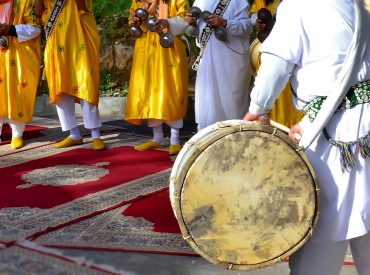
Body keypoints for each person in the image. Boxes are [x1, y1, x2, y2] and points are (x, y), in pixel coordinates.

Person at [244, 0, 370, 274]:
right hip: (362, 124)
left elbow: (275, 65)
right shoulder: (355, 5)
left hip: (335, 135)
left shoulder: (298, 6)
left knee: (322, 221)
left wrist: (257, 109)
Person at [34, 0, 106, 151]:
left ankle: (96, 135)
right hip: (55, 39)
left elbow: (82, 6)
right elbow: (38, 11)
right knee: (59, 85)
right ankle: (74, 134)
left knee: (85, 83)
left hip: (78, 37)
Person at [124, 0, 189, 155]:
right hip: (146, 48)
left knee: (171, 89)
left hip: (169, 47)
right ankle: (157, 138)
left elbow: (185, 19)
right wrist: (135, 20)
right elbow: (132, 21)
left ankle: (174, 139)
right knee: (149, 90)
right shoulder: (140, 1)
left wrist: (168, 22)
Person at [186, 0, 252, 131]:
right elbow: (198, 35)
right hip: (208, 60)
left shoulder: (238, 1)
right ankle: (207, 138)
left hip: (231, 61)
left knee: (231, 102)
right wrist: (192, 23)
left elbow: (247, 27)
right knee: (208, 100)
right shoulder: (200, 1)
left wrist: (225, 23)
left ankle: (235, 138)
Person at [249, 0, 304, 128]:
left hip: (289, 57)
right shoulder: (265, 1)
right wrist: (259, 22)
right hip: (269, 55)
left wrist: (256, 109)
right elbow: (254, 14)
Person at [0, 0, 42, 149]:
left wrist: (10, 29)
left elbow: (36, 29)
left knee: (17, 92)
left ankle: (17, 134)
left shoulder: (27, 2)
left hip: (18, 57)